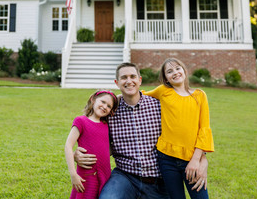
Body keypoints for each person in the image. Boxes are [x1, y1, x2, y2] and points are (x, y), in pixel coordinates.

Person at [75, 63, 208, 199]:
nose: (129, 81)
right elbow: (95, 136)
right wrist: (79, 154)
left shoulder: (160, 105)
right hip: (125, 176)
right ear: (117, 82)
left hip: (159, 179)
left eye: (133, 76)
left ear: (140, 80)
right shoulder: (110, 112)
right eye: (124, 78)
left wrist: (202, 159)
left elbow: (188, 131)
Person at [142, 58, 214, 199]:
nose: (175, 72)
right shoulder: (163, 91)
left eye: (177, 68)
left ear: (184, 71)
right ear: (166, 79)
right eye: (169, 71)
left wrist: (197, 159)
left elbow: (204, 129)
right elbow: (139, 95)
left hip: (191, 158)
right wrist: (113, 98)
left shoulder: (199, 95)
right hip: (166, 158)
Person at [65, 90, 118, 199]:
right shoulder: (81, 121)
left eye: (109, 106)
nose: (104, 107)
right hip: (86, 175)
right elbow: (68, 146)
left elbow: (104, 149)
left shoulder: (106, 125)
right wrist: (73, 174)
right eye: (102, 102)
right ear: (93, 100)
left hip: (104, 174)